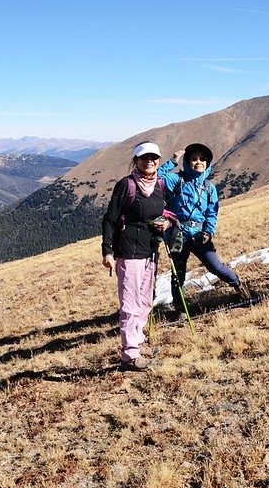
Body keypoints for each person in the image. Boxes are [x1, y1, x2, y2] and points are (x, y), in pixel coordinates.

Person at [102, 142, 169, 372]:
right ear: (136, 161)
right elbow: (110, 219)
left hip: (150, 252)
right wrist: (107, 251)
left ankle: (138, 344)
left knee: (144, 301)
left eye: (153, 158)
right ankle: (129, 356)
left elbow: (163, 212)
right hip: (129, 253)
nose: (149, 161)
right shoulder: (127, 185)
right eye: (144, 158)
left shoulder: (159, 184)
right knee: (129, 305)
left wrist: (166, 222)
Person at [158, 143, 244, 313]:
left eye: (203, 159)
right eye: (194, 158)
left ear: (208, 162)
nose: (199, 162)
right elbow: (154, 176)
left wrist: (208, 233)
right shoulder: (176, 180)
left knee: (215, 266)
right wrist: (173, 161)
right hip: (177, 234)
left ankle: (239, 286)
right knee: (178, 273)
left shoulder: (209, 187)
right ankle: (181, 308)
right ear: (187, 161)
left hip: (199, 234)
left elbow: (212, 213)